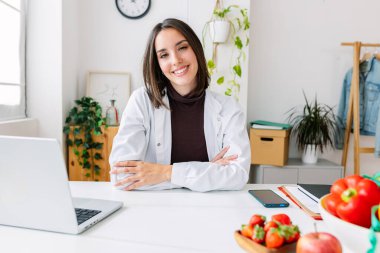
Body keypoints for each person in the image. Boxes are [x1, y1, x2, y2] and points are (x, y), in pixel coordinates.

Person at [109, 18, 251, 192]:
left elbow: (237, 175)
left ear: (196, 49)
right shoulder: (141, 101)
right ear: (157, 64)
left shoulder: (229, 108)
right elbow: (122, 177)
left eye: (182, 47)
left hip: (212, 210)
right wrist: (206, 172)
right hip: (153, 210)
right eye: (164, 55)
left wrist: (164, 172)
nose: (175, 60)